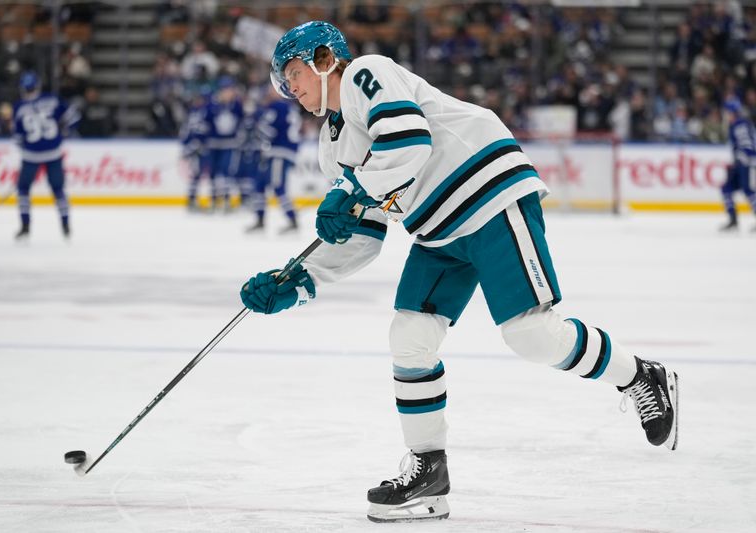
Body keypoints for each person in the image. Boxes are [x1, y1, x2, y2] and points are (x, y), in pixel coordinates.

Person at [239, 22, 679, 523]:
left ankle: (640, 376)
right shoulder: (331, 144)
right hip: (437, 232)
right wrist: (300, 280)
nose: (289, 86)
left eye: (294, 72)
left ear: (323, 59)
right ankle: (428, 473)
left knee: (532, 336)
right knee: (409, 340)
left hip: (488, 197)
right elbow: (363, 235)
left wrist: (352, 191)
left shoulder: (365, 72)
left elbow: (409, 140)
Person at [12, 71, 80, 240]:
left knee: (23, 190)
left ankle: (25, 226)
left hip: (31, 156)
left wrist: (27, 148)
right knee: (58, 190)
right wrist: (64, 132)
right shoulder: (52, 99)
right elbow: (74, 117)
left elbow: (17, 138)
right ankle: (65, 225)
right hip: (53, 153)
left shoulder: (19, 107)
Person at [247, 86, 302, 233]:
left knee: (277, 186)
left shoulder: (276, 107)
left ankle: (292, 219)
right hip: (277, 152)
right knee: (260, 184)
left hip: (279, 152)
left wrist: (254, 123)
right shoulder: (288, 107)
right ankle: (260, 219)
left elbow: (269, 131)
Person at [204, 75, 244, 212]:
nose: (228, 92)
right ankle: (214, 199)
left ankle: (226, 199)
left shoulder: (236, 104)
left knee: (226, 171)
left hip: (229, 143)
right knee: (213, 172)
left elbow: (242, 121)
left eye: (230, 89)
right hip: (213, 143)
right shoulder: (212, 104)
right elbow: (206, 121)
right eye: (225, 89)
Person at [719, 98, 756, 232]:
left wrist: (743, 159)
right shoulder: (736, 125)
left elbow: (747, 145)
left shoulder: (741, 125)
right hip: (740, 163)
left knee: (748, 190)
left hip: (746, 163)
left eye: (727, 112)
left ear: (732, 112)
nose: (725, 115)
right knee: (726, 188)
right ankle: (733, 220)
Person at [180, 87, 211, 211]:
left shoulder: (204, 112)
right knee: (195, 174)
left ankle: (195, 199)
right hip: (196, 150)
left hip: (203, 149)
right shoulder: (195, 113)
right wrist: (189, 147)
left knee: (203, 174)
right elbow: (187, 133)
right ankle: (191, 199)